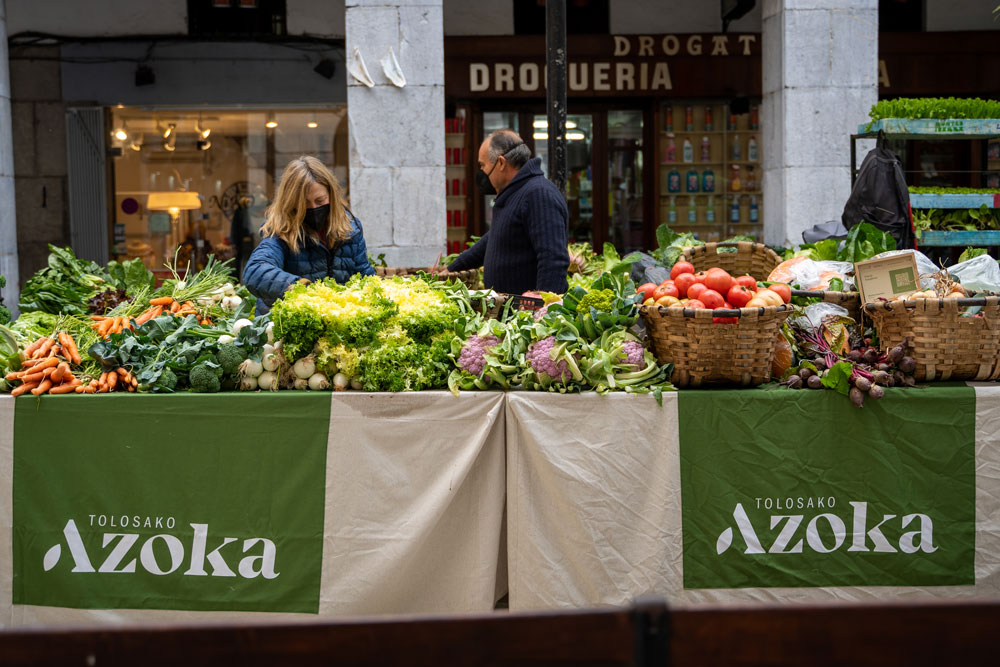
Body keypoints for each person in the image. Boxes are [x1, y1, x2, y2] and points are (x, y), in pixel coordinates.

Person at [244, 156, 375, 314]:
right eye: (304, 203)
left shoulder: (350, 228)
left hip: (334, 321)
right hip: (285, 323)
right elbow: (255, 271)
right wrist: (302, 289)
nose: (313, 208)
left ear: (331, 195)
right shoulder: (280, 231)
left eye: (320, 201)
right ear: (291, 203)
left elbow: (364, 275)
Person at [447, 129, 570, 294]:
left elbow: (553, 258)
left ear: (501, 163)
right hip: (508, 307)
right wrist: (452, 269)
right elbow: (494, 237)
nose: (481, 172)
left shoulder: (538, 194)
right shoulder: (515, 194)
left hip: (526, 309)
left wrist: (543, 305)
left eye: (482, 165)